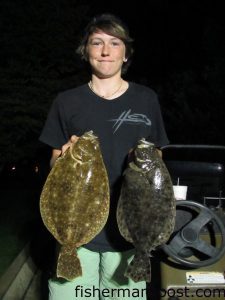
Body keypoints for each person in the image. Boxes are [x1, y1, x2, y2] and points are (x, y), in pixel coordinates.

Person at [39, 13, 169, 300]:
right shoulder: (66, 101)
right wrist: (63, 159)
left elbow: (157, 161)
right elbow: (52, 163)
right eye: (97, 43)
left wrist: (145, 157)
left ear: (126, 54)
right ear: (86, 51)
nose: (106, 51)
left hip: (127, 236)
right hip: (75, 233)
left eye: (115, 43)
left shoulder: (146, 99)